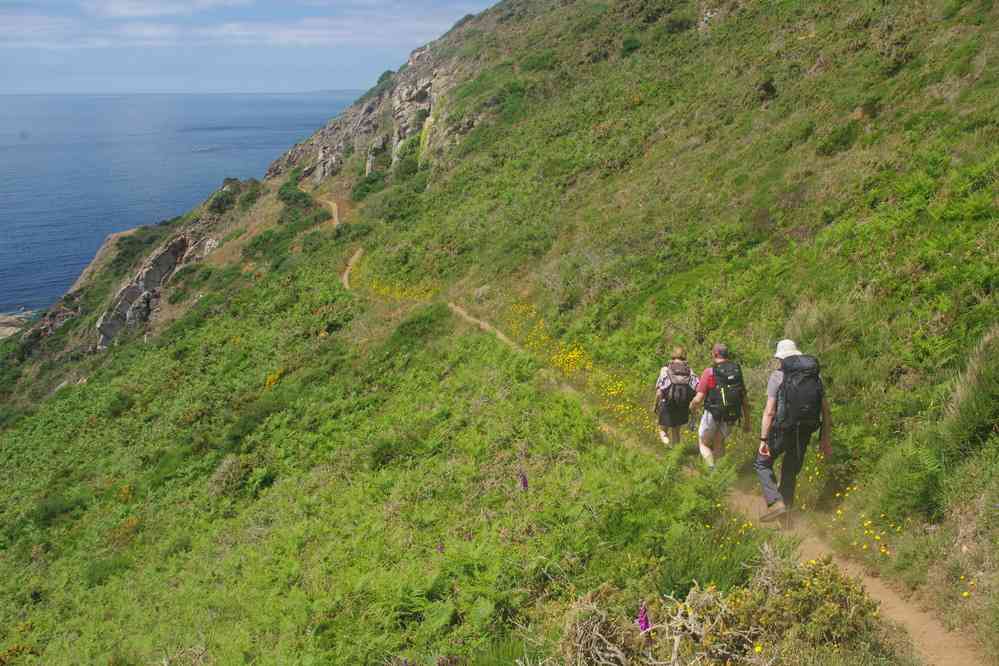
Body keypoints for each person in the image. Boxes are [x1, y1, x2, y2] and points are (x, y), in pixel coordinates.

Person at [756, 339, 832, 522]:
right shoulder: (815, 377)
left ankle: (776, 502)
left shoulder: (777, 376)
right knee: (790, 471)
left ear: (781, 358)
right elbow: (825, 410)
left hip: (782, 430)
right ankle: (786, 519)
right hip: (805, 430)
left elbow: (769, 411)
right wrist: (825, 438)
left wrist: (763, 440)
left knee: (762, 463)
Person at [688, 343, 750, 469]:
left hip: (713, 412)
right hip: (731, 414)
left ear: (715, 354)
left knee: (704, 444)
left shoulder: (710, 372)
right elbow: (744, 399)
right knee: (719, 442)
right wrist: (747, 422)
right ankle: (720, 474)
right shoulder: (736, 370)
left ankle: (711, 470)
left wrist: (692, 407)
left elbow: (698, 399)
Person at [653, 346, 699, 447]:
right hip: (683, 404)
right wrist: (693, 411)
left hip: (667, 403)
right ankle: (676, 452)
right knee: (676, 431)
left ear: (672, 355)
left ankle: (667, 445)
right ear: (684, 356)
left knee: (662, 430)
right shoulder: (689, 371)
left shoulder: (665, 369)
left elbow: (659, 392)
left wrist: (655, 405)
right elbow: (697, 389)